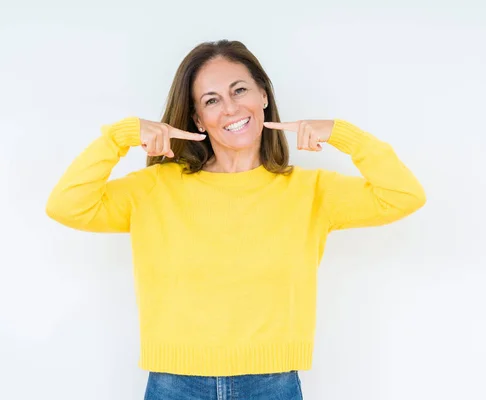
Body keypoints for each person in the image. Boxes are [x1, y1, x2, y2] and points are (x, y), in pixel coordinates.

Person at [45, 39, 427, 399]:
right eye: (211, 100)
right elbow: (66, 205)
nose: (229, 107)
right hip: (174, 385)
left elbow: (404, 196)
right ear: (197, 118)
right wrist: (120, 137)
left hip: (273, 384)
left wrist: (345, 135)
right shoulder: (155, 188)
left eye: (239, 90)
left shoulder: (310, 191)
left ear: (263, 95)